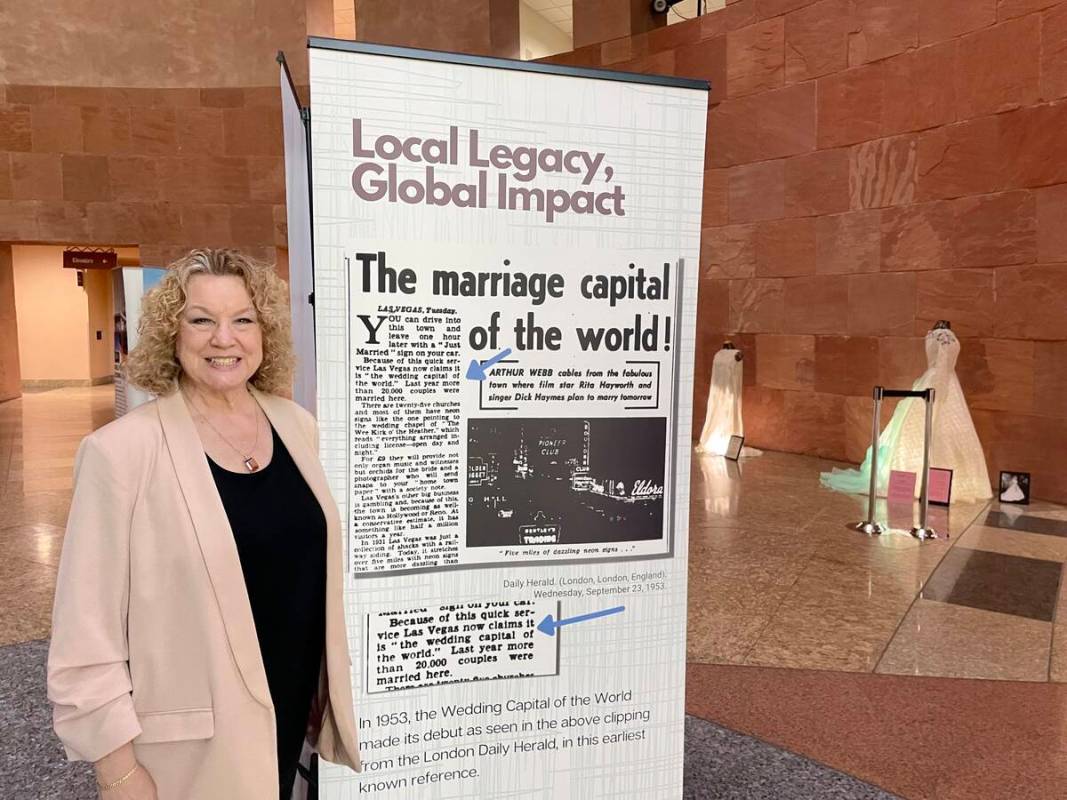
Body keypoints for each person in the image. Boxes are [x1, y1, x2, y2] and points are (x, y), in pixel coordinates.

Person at [47, 249, 360, 799]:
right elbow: (84, 637)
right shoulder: (120, 452)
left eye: (243, 319)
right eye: (201, 320)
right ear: (172, 333)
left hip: (287, 714)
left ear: (264, 333)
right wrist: (118, 773)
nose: (224, 338)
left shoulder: (295, 426)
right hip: (190, 748)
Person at [821, 322, 992, 503]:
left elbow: (941, 364)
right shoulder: (953, 340)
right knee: (928, 432)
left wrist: (938, 388)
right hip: (947, 383)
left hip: (935, 383)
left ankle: (927, 483)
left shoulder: (938, 336)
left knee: (926, 432)